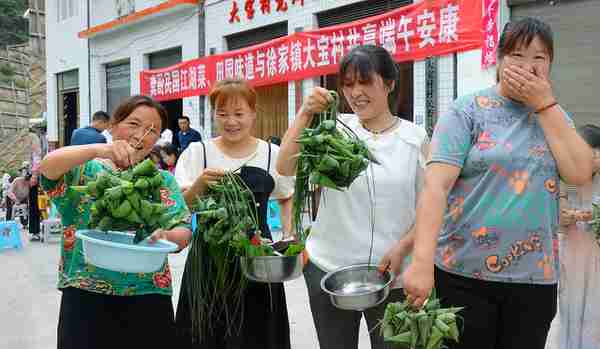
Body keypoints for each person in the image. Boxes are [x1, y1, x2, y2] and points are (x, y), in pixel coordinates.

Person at [401, 17, 593, 349]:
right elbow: (436, 188)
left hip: (535, 279)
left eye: (539, 58)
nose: (528, 67)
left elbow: (579, 173)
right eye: (517, 55)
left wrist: (545, 105)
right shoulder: (466, 112)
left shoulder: (555, 117)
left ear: (550, 65)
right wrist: (421, 262)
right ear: (499, 59)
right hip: (463, 275)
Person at [277, 44, 428, 349]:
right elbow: (285, 166)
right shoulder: (334, 130)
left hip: (392, 274)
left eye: (365, 81)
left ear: (389, 83)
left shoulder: (415, 139)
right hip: (329, 268)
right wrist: (306, 113)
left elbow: (430, 208)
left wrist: (404, 247)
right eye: (347, 84)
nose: (356, 91)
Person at [38, 95, 193, 349]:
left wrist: (164, 234)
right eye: (133, 124)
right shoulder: (84, 171)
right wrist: (99, 149)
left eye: (152, 130)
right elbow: (47, 168)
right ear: (113, 126)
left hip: (149, 296)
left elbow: (184, 231)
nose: (141, 135)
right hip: (85, 294)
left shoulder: (162, 181)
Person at [174, 79, 294, 349]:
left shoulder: (271, 154)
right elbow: (181, 206)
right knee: (206, 333)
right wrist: (200, 183)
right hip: (207, 262)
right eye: (223, 113)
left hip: (257, 261)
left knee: (257, 335)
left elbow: (287, 195)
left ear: (253, 113)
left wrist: (288, 233)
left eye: (239, 114)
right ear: (213, 114)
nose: (231, 122)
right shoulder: (198, 153)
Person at [547, 124, 600, 349]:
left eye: (597, 154)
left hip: (595, 253)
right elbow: (556, 209)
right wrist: (564, 216)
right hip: (570, 251)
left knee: (594, 305)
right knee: (569, 304)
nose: (594, 160)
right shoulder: (565, 175)